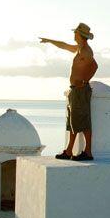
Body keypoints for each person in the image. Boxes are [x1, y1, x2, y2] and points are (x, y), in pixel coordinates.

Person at [39, 23, 99, 161]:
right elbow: (64, 45)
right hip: (75, 90)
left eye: (75, 33)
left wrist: (84, 81)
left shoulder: (86, 51)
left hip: (80, 90)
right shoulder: (79, 48)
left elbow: (94, 66)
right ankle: (68, 151)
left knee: (83, 121)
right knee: (73, 122)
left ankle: (88, 152)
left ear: (80, 35)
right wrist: (49, 40)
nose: (74, 35)